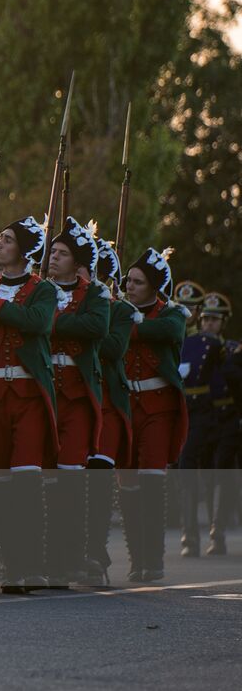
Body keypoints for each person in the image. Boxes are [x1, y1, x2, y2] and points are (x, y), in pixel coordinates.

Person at [0, 216, 55, 593]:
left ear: (24, 251)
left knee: (26, 482)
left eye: (7, 240)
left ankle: (31, 563)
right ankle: (10, 564)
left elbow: (37, 322)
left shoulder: (42, 290)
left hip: (27, 397)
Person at [43, 216, 109, 588]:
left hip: (77, 396)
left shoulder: (95, 294)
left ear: (77, 260)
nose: (54, 257)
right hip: (45, 394)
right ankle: (48, 557)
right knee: (44, 481)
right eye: (52, 251)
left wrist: (49, 322)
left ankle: (71, 557)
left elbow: (95, 328)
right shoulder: (39, 290)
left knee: (69, 480)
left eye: (62, 253)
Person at [119, 247, 188, 582]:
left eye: (137, 282)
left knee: (151, 480)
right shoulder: (118, 310)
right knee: (128, 483)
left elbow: (168, 333)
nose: (129, 286)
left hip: (158, 406)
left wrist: (128, 328)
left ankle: (154, 560)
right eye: (127, 280)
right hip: (126, 405)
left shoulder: (172, 314)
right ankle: (137, 559)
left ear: (153, 287)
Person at [82, 238, 135, 587]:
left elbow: (113, 348)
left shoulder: (120, 310)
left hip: (105, 405)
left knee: (98, 485)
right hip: (71, 400)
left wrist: (87, 322)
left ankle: (94, 552)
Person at [178, 290, 238, 557]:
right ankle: (190, 535)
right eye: (205, 319)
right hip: (197, 415)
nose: (208, 324)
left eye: (214, 320)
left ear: (223, 323)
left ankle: (219, 531)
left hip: (225, 419)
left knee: (220, 476)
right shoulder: (189, 345)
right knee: (188, 470)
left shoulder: (232, 349)